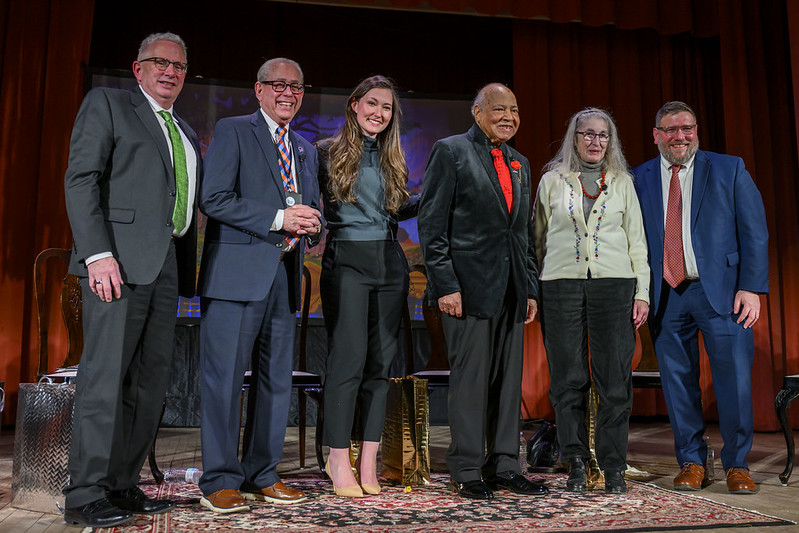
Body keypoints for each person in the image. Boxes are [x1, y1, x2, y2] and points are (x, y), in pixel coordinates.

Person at [62, 32, 200, 528]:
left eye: (178, 66)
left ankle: (122, 484)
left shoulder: (184, 130)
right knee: (104, 381)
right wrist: (97, 254)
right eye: (160, 62)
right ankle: (84, 493)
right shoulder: (109, 104)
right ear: (138, 68)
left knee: (148, 385)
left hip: (166, 267)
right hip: (115, 264)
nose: (170, 71)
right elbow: (81, 179)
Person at [197, 58, 322, 513]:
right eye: (278, 84)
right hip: (234, 278)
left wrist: (314, 222)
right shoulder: (234, 131)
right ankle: (219, 480)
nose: (288, 93)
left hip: (284, 278)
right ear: (259, 89)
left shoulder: (305, 148)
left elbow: (311, 207)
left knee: (275, 382)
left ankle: (262, 474)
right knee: (224, 382)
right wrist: (279, 218)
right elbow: (213, 198)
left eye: (296, 86)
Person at [418, 83, 548, 500]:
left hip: (511, 291)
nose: (508, 117)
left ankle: (505, 466)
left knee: (508, 385)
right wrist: (445, 285)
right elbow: (432, 225)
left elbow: (522, 233)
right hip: (467, 290)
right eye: (499, 109)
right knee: (471, 383)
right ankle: (467, 469)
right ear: (477, 112)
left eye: (514, 110)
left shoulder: (520, 163)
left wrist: (529, 289)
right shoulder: (451, 151)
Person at [633, 101, 768, 494]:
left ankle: (737, 465)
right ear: (656, 135)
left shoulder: (729, 168)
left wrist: (752, 287)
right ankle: (691, 462)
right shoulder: (638, 177)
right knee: (678, 385)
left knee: (734, 382)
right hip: (667, 294)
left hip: (724, 294)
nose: (680, 136)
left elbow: (755, 231)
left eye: (687, 128)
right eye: (671, 130)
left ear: (696, 131)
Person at [533, 108, 649, 495]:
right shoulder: (552, 181)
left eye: (603, 135)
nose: (595, 141)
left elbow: (637, 242)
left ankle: (613, 466)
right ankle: (576, 463)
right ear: (574, 137)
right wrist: (536, 287)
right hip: (560, 285)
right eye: (588, 134)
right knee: (568, 379)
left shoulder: (622, 182)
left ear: (610, 141)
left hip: (614, 285)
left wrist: (642, 292)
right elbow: (537, 240)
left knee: (614, 379)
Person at [316, 75, 418, 498]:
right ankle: (338, 458)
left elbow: (396, 208)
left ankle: (369, 460)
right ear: (355, 105)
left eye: (387, 107)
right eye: (372, 103)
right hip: (347, 261)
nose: (379, 113)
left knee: (380, 365)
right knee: (348, 361)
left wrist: (440, 190)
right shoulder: (324, 152)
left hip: (389, 263)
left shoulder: (393, 158)